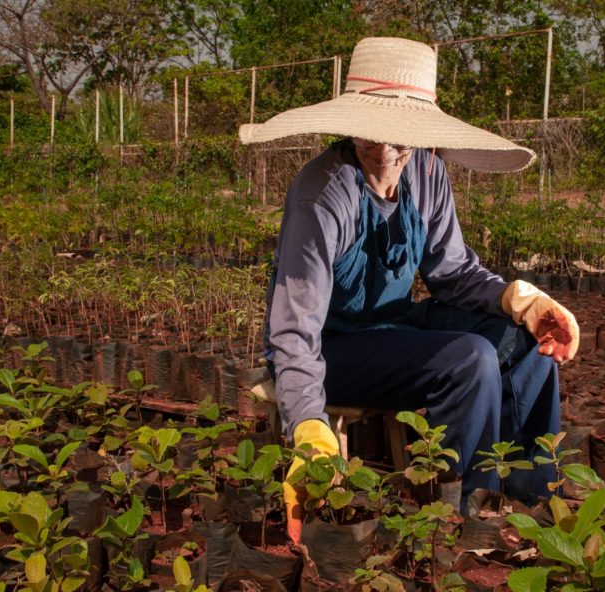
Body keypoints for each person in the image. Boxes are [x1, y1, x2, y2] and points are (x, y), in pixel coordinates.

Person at [240, 37, 579, 543]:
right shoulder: (323, 195)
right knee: (469, 358)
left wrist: (520, 301)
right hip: (334, 347)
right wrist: (307, 424)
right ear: (351, 126)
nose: (387, 151)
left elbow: (454, 273)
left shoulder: (427, 173)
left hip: (394, 324)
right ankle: (466, 511)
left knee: (522, 343)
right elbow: (294, 330)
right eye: (372, 136)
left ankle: (528, 495)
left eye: (402, 138)